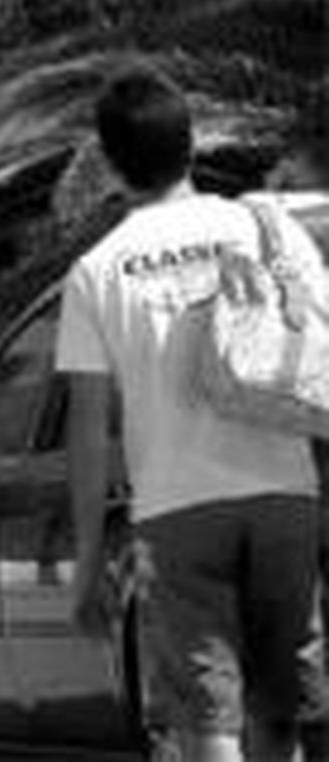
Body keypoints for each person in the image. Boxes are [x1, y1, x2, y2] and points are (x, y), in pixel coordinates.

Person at [58, 61, 329, 762]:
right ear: (193, 145)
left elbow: (88, 431)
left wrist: (89, 562)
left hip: (177, 509)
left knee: (208, 715)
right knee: (283, 708)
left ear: (112, 163)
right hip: (284, 491)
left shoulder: (98, 271)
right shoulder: (263, 227)